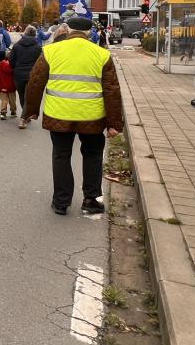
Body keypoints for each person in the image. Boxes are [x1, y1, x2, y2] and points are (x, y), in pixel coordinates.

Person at [23, 16, 124, 216]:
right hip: (92, 116)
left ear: (67, 29)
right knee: (93, 156)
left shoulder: (50, 51)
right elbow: (112, 90)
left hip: (58, 113)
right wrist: (115, 123)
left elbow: (35, 83)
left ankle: (61, 202)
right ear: (89, 32)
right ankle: (91, 199)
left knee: (61, 155)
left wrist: (31, 111)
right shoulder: (102, 54)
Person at [9, 25, 42, 129]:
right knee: (28, 97)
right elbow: (40, 63)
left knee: (22, 95)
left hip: (18, 74)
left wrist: (16, 67)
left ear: (25, 33)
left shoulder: (17, 45)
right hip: (31, 74)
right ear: (35, 35)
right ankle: (24, 118)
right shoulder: (38, 47)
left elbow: (11, 61)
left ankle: (24, 116)